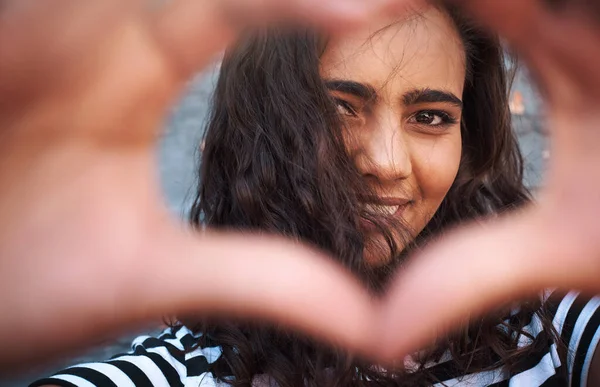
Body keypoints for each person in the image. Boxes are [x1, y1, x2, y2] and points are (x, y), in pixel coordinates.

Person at [31, 2, 600, 386]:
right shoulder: (193, 367)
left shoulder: (542, 316)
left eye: (429, 116)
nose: (385, 162)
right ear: (259, 123)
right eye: (337, 107)